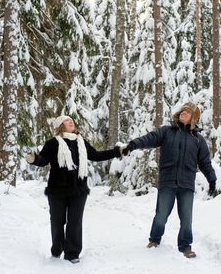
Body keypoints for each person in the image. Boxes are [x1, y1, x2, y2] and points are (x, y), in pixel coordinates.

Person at [122, 102, 217, 258]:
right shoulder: (167, 131)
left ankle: (185, 246)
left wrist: (212, 180)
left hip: (186, 184)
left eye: (188, 112)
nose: (183, 113)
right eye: (183, 111)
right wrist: (132, 145)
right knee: (161, 215)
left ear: (194, 118)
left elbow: (205, 163)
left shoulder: (198, 140)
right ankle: (154, 240)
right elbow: (149, 138)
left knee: (186, 219)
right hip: (168, 181)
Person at [26, 115, 121, 264]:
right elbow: (43, 160)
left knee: (75, 222)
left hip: (78, 190)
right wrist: (34, 159)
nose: (71, 121)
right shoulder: (52, 143)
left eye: (71, 120)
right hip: (57, 190)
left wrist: (116, 152)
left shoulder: (81, 142)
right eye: (67, 120)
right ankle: (57, 249)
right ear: (60, 126)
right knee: (57, 221)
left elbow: (96, 155)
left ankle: (72, 253)